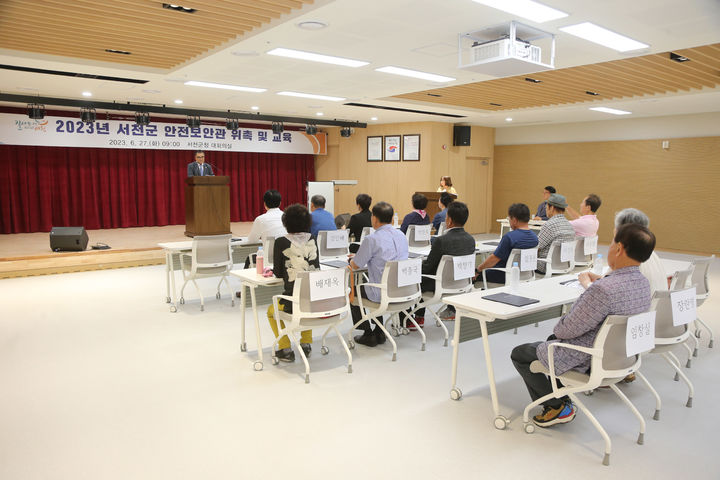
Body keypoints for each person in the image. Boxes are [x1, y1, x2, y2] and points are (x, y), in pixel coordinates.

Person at [511, 223, 655, 427]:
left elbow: (564, 329)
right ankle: (559, 393)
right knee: (551, 342)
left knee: (521, 353)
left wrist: (590, 291)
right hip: (621, 358)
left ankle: (556, 406)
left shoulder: (603, 290)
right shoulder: (642, 283)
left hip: (588, 359)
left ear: (620, 248)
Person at [349, 202, 409, 347]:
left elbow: (356, 265)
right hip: (402, 289)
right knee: (376, 282)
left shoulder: (372, 239)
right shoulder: (401, 235)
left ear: (374, 219)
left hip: (382, 292)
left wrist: (352, 259)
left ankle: (368, 333)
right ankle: (379, 330)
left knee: (352, 291)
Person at [267, 204, 320, 362]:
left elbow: (277, 272)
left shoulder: (281, 241)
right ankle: (306, 343)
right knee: (306, 297)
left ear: (286, 222)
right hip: (314, 299)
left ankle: (285, 348)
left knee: (271, 311)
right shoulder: (312, 239)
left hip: (292, 302)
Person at [415, 201, 476, 324]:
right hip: (461, 284)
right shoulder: (471, 240)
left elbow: (427, 267)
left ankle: (417, 318)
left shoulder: (441, 241)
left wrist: (415, 266)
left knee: (417, 278)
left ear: (449, 220)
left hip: (439, 285)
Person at [474, 203, 538, 285]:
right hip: (525, 275)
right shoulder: (535, 238)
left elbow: (493, 259)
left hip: (504, 275)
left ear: (514, 220)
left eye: (509, 219)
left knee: (472, 276)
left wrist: (478, 270)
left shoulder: (509, 237)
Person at [614, 208, 668, 295]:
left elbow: (608, 294)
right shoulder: (651, 254)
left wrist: (587, 283)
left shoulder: (626, 258)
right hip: (654, 306)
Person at [536, 193, 575, 274]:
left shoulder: (549, 225)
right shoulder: (569, 225)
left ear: (552, 208)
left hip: (546, 265)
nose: (546, 209)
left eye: (546, 207)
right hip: (564, 265)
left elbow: (536, 247)